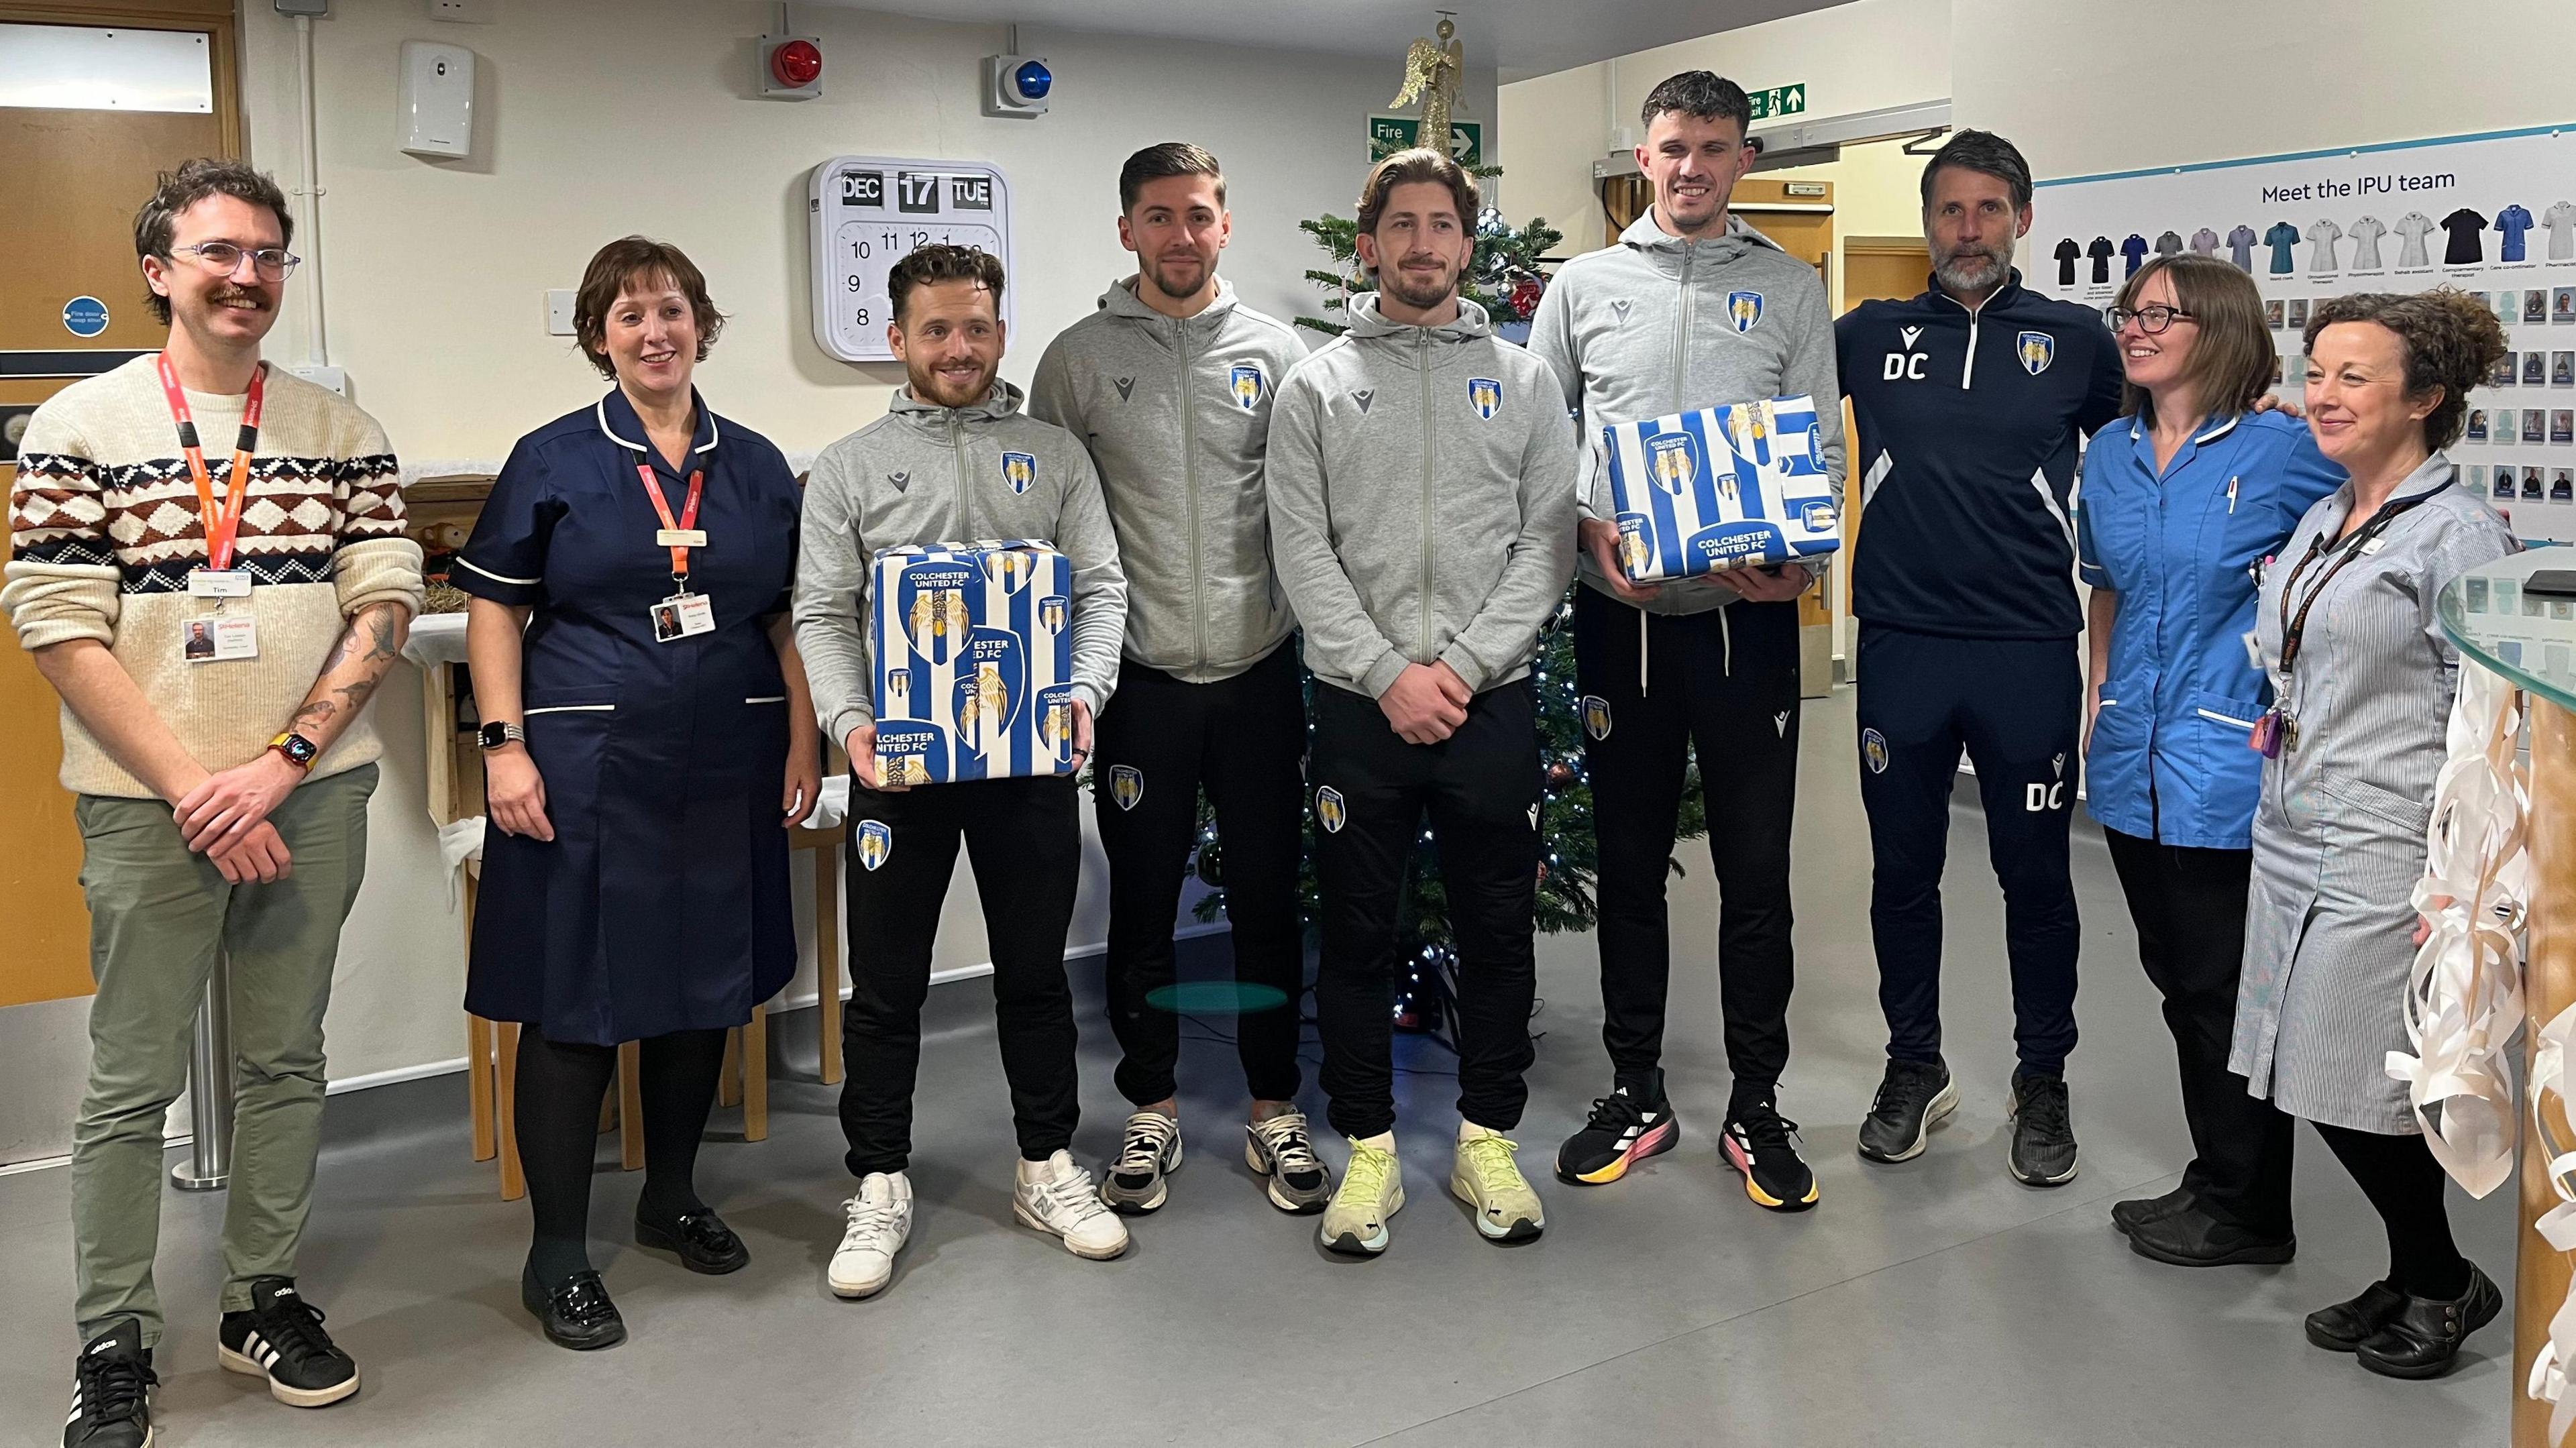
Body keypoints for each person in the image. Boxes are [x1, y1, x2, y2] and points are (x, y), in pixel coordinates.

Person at [5, 160, 423, 1447]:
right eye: (220, 253)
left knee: (284, 1058)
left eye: (268, 256)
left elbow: (385, 604)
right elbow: (55, 624)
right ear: (160, 270)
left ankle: (260, 1296)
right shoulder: (78, 429)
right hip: (151, 805)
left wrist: (278, 768)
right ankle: (114, 1332)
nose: (247, 277)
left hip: (308, 795)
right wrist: (202, 791)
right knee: (130, 1080)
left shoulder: (343, 432)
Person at [453, 237, 817, 1350]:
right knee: (575, 996)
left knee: (707, 986)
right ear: (599, 338)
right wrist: (502, 747)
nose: (653, 332)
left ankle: (670, 1199)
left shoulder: (753, 462)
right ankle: (557, 1250)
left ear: (703, 323)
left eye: (671, 310)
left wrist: (805, 740)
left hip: (729, 759)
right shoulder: (555, 457)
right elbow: (495, 610)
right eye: (628, 316)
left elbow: (785, 618)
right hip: (586, 767)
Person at [1527, 70, 1844, 1212]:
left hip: (1745, 632)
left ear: (1744, 159)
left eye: (1715, 146)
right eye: (1673, 146)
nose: (1693, 166)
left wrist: (1801, 560)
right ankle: (1635, 1090)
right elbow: (1539, 435)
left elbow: (1820, 445)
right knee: (1628, 872)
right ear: (1643, 157)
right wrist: (1582, 527)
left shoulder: (1789, 290)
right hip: (1623, 626)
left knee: (1758, 877)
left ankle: (1757, 1105)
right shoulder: (1585, 285)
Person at [795, 243, 1132, 1295]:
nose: (959, 347)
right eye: (936, 329)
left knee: (1034, 977)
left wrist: (1082, 696)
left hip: (1028, 765)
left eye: (976, 327)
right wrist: (851, 728)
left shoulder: (1056, 456)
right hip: (897, 772)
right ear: (897, 340)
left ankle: (1045, 1165)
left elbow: (1101, 594)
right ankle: (880, 1181)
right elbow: (820, 612)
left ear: (1000, 331)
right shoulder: (849, 466)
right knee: (884, 987)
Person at [1267, 148, 1577, 1255]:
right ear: (1370, 244)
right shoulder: (1317, 385)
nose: (1422, 245)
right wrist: (1390, 674)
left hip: (1488, 704)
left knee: (1498, 933)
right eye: (1401, 224)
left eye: (1442, 224)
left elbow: (1546, 544)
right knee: (1356, 935)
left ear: (1466, 242)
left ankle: (1488, 1140)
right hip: (1361, 706)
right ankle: (1370, 1153)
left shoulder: (1526, 380)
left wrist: (1462, 667)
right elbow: (1301, 550)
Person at [1026, 143, 1324, 1217]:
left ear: (1225, 225)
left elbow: (1313, 510)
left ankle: (1273, 1108)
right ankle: (1148, 1108)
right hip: (1138, 681)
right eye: (1158, 217)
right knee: (1144, 904)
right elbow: (1044, 522)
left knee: (1266, 901)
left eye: (1198, 214)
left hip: (1257, 674)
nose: (1180, 235)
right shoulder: (1076, 360)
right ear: (1127, 231)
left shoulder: (1281, 354)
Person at [1834, 131, 2124, 1185]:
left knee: (2036, 879)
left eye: (1989, 210)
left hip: (2026, 649)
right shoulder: (1865, 334)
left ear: (2022, 219)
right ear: (1927, 221)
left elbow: (2159, 433)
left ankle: (2041, 1080)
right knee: (1903, 874)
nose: (1969, 230)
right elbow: (1768, 415)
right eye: (1951, 210)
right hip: (1903, 645)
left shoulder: (2079, 339)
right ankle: (1915, 1066)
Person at [2237, 289, 2516, 1378]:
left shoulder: (2458, 533)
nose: (2323, 394)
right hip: (2297, 824)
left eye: (2355, 377)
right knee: (2304, 1070)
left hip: (2391, 844)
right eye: (2317, 371)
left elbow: (2493, 720)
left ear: (2427, 398)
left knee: (2350, 1074)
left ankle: (2447, 1281)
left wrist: (2465, 880)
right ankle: (2417, 1269)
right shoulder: (2330, 513)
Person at [2074, 254, 2339, 1268]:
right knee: (2180, 981)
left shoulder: (2282, 449)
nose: (2134, 330)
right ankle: (2223, 1175)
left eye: (2158, 316)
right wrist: (2099, 698)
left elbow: (2378, 516)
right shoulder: (2109, 450)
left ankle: (2249, 1210)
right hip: (2133, 755)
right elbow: (2109, 586)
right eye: (2127, 314)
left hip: (2226, 764)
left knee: (2225, 991)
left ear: (2219, 330)